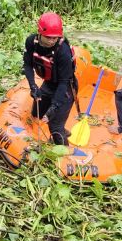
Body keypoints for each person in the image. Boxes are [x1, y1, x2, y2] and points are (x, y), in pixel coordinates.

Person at [23, 12, 76, 146]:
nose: (52, 41)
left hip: (66, 88)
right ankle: (63, 129)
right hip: (49, 83)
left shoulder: (63, 51)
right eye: (48, 37)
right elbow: (28, 65)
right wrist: (33, 86)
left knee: (55, 126)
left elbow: (64, 82)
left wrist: (54, 106)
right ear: (39, 33)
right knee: (36, 112)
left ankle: (63, 150)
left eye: (55, 38)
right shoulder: (31, 42)